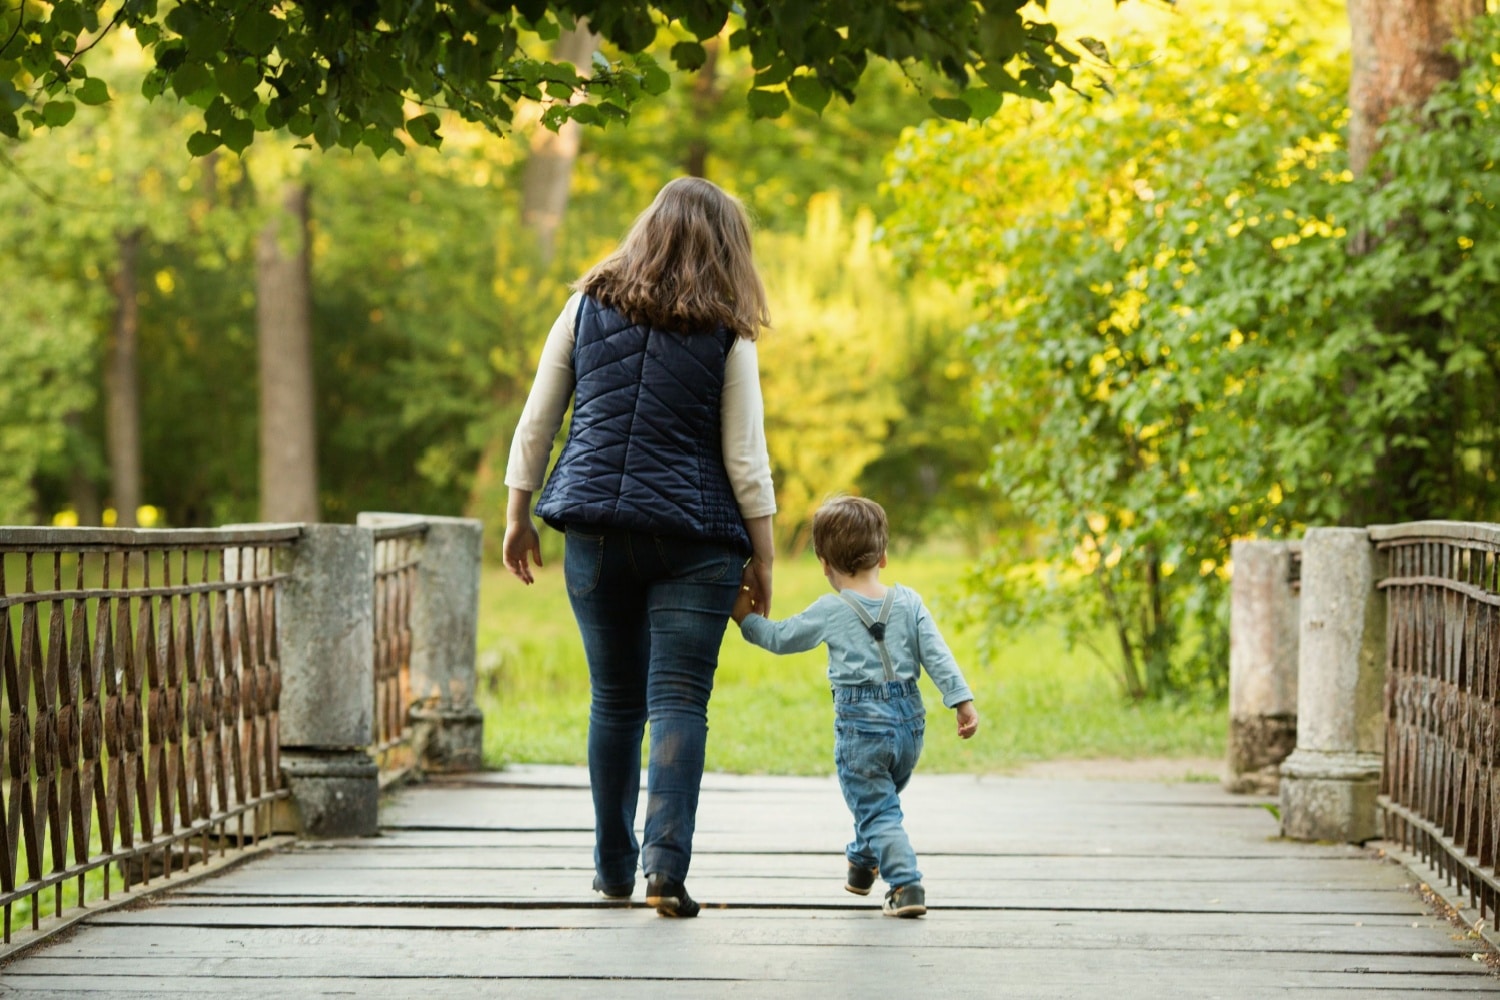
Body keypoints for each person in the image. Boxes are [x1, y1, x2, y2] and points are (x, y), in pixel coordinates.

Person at [502, 177, 776, 919]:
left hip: (593, 530)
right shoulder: (729, 329)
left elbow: (538, 420)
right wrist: (767, 556)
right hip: (697, 540)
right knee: (679, 700)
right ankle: (665, 871)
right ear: (728, 246)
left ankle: (612, 868)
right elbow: (745, 455)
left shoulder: (585, 305)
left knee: (615, 701)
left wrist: (517, 511)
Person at [732, 495, 978, 918]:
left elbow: (780, 638)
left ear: (824, 563)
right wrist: (962, 701)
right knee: (878, 801)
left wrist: (744, 619)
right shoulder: (910, 602)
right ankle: (863, 865)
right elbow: (937, 654)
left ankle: (906, 884)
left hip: (863, 730)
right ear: (883, 556)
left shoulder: (831, 609)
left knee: (877, 807)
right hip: (909, 728)